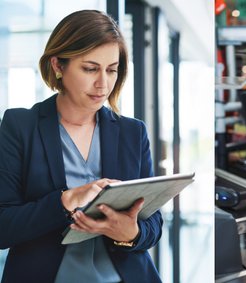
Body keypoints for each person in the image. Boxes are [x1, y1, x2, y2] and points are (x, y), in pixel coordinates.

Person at [0, 10, 162, 282]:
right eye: (90, 69)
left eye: (112, 70)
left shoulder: (133, 132)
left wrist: (130, 234)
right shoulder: (20, 126)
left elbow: (154, 224)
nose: (103, 84)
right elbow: (3, 228)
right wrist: (65, 201)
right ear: (58, 66)